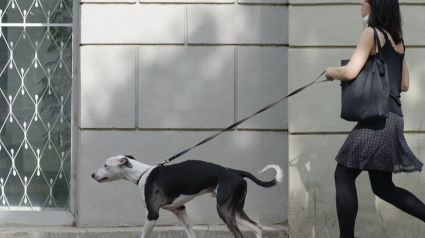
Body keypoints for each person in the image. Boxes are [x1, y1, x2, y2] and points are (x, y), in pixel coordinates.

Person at [325, 0, 425, 237]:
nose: (361, 2)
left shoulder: (372, 33)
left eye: (366, 0)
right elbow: (404, 84)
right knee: (383, 187)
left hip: (378, 120)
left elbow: (350, 71)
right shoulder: (397, 41)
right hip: (394, 117)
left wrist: (330, 71)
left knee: (343, 174)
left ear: (376, 5)